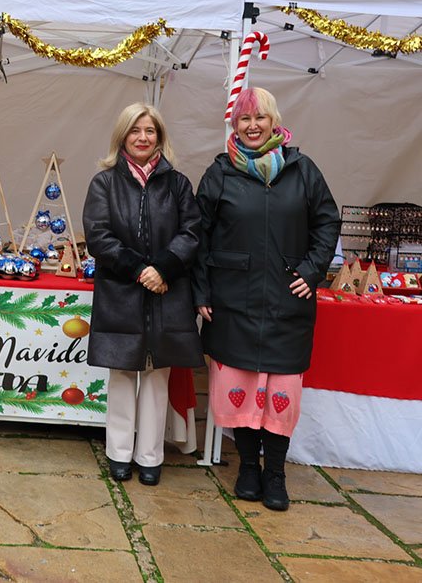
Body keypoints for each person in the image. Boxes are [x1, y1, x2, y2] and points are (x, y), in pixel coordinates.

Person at [192, 87, 339, 511]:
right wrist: (201, 290)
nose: (252, 126)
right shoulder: (220, 173)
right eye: (244, 119)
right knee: (236, 386)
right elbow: (198, 236)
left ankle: (275, 472)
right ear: (234, 126)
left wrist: (312, 270)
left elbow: (327, 223)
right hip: (232, 300)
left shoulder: (302, 170)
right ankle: (247, 470)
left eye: (260, 118)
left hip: (286, 299)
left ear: (275, 123)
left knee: (282, 391)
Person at [83, 103, 204, 486]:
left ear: (160, 137)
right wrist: (140, 270)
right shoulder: (104, 183)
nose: (143, 137)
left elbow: (192, 232)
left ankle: (150, 456)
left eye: (150, 131)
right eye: (135, 130)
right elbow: (99, 237)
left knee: (157, 376)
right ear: (123, 136)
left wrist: (164, 267)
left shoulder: (178, 184)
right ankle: (119, 453)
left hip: (167, 295)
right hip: (121, 292)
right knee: (122, 374)